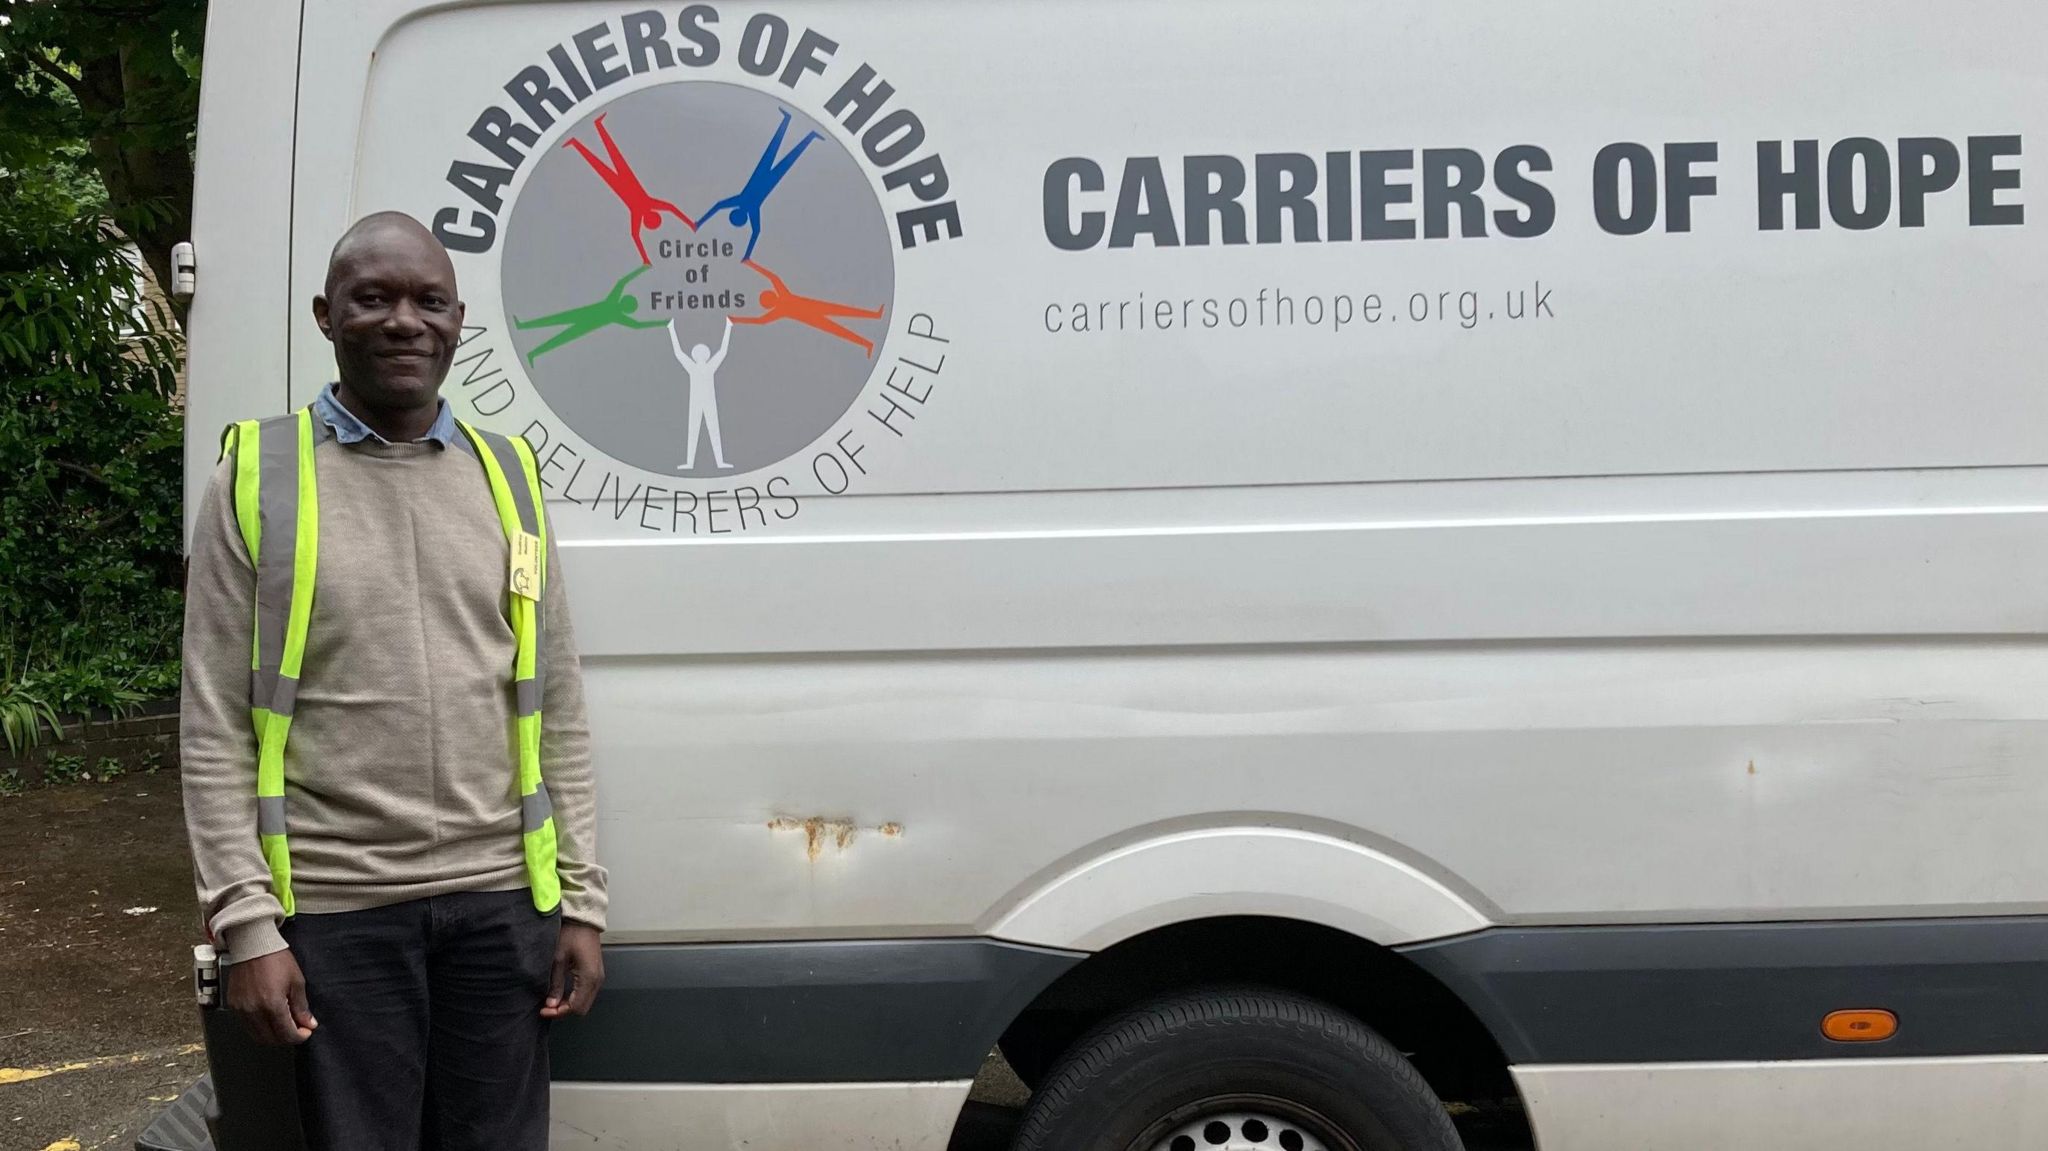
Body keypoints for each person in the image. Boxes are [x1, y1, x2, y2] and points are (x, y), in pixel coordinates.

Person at [180, 211, 607, 1151]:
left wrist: (580, 901)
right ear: (329, 316)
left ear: (458, 322)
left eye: (428, 301)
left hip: (502, 911)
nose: (404, 321)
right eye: (375, 298)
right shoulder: (257, 476)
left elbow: (557, 700)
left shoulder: (507, 476)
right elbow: (213, 723)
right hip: (336, 915)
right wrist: (248, 925)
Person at [563, 112, 694, 265]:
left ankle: (583, 137)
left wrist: (645, 257)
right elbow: (670, 210)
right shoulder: (646, 207)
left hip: (619, 185)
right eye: (653, 220)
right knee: (609, 157)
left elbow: (638, 234)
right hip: (626, 181)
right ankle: (593, 130)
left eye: (651, 221)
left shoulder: (644, 209)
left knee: (603, 161)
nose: (650, 219)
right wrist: (689, 223)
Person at [699, 107, 818, 261]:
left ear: (743, 219)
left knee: (785, 157)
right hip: (765, 178)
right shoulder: (741, 202)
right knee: (776, 152)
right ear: (735, 212)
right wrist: (700, 222)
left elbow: (755, 232)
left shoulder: (750, 208)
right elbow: (719, 206)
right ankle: (795, 126)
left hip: (766, 179)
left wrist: (747, 255)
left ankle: (805, 132)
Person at [513, 263, 666, 363]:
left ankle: (531, 350)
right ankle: (525, 333)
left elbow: (623, 284)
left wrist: (642, 269)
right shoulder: (616, 310)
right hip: (583, 316)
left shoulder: (615, 309)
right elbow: (623, 284)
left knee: (558, 335)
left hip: (585, 322)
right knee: (555, 325)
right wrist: (642, 269)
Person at [735, 260, 886, 358]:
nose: (771, 296)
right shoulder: (780, 305)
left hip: (815, 308)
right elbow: (760, 319)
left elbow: (772, 279)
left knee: (844, 314)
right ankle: (869, 340)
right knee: (840, 327)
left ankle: (874, 319)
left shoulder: (781, 301)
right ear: (771, 299)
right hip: (812, 317)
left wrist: (751, 264)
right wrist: (751, 265)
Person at [668, 316, 735, 470]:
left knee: (713, 431)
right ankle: (691, 463)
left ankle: (719, 462)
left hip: (707, 401)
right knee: (694, 430)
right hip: (697, 401)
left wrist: (728, 328)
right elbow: (678, 354)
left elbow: (723, 352)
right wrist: (671, 330)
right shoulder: (696, 366)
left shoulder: (704, 366)